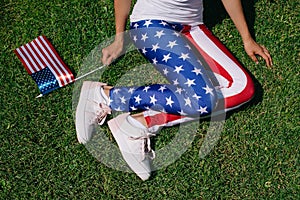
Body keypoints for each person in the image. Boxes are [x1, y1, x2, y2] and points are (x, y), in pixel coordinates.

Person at [75, 0, 272, 180]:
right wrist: (119, 38)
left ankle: (137, 124)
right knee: (203, 101)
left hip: (192, 25)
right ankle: (105, 97)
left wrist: (247, 39)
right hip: (151, 23)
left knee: (242, 88)